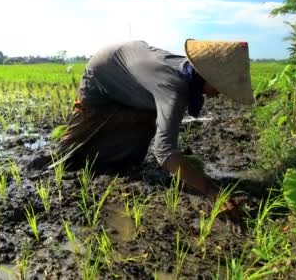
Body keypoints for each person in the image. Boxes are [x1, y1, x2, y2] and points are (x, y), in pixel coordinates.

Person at [55, 39, 254, 229]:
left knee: (143, 127)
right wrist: (211, 190)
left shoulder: (185, 71)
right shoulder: (173, 90)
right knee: (72, 157)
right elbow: (164, 152)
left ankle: (123, 160)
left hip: (128, 60)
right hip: (102, 71)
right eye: (221, 86)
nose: (220, 93)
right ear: (208, 76)